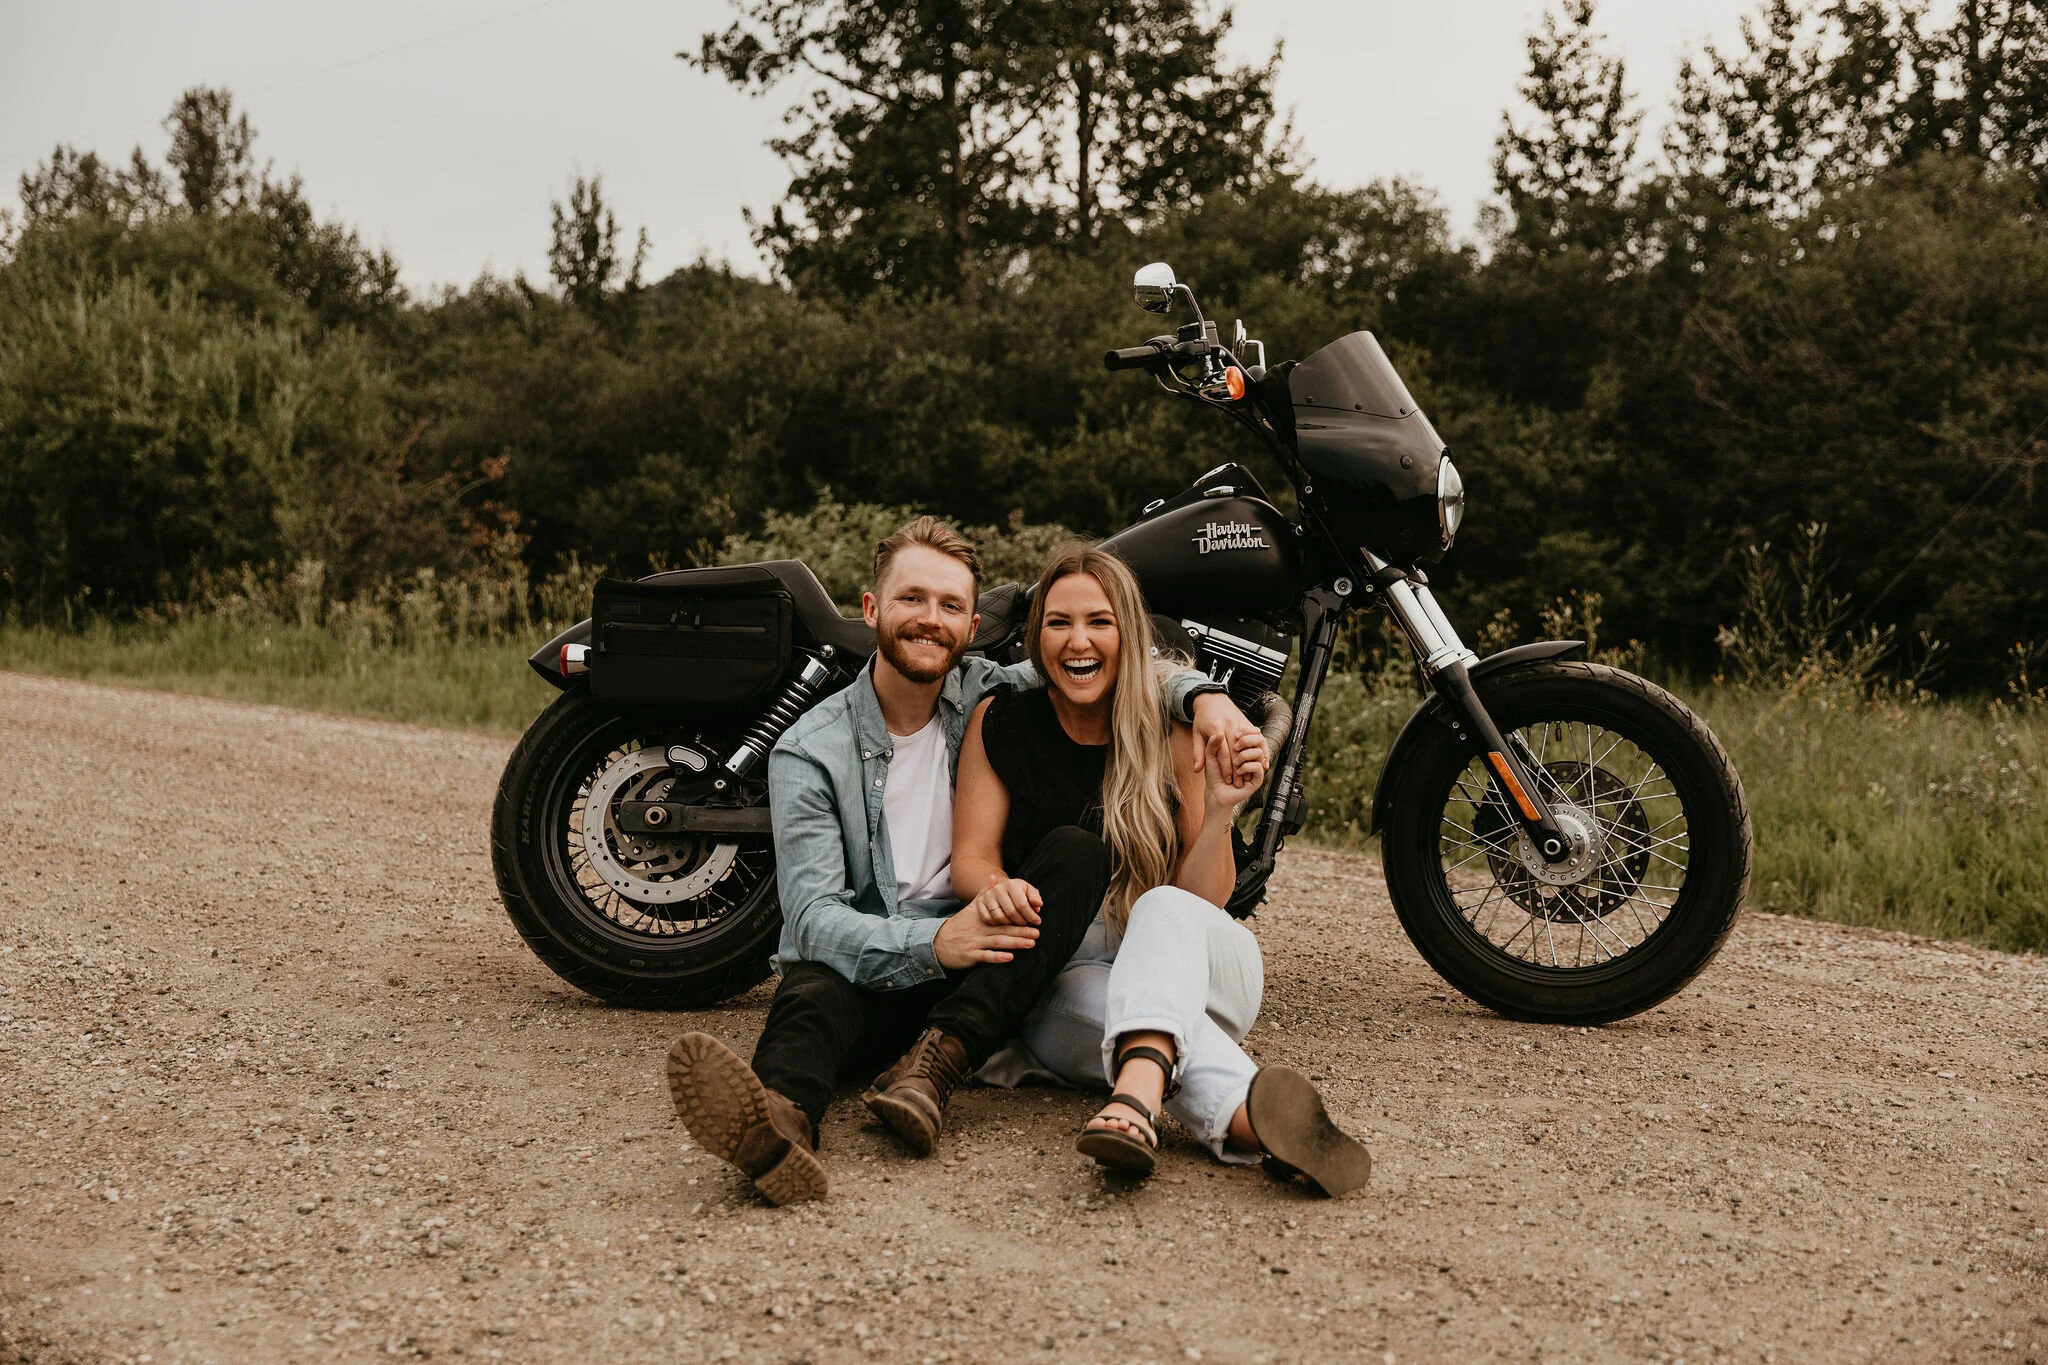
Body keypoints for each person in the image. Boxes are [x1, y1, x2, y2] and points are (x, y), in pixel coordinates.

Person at [662, 517, 1259, 1205]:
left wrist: (1204, 696)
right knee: (813, 989)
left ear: (971, 625)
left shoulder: (983, 691)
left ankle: (934, 1068)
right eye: (912, 598)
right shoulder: (809, 750)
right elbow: (814, 919)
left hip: (992, 961)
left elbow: (1110, 662)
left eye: (949, 606)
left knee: (1072, 852)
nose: (929, 620)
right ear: (871, 608)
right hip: (889, 955)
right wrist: (934, 941)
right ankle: (777, 1124)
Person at [955, 545, 1373, 1194]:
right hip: (1075, 974)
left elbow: (1203, 904)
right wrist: (997, 889)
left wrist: (1221, 818)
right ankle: (1248, 1120)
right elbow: (972, 859)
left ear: (1130, 633)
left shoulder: (1176, 733)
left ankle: (1135, 1097)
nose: (1078, 640)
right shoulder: (1004, 722)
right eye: (1058, 622)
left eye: (1099, 620)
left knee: (1158, 906)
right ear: (1036, 638)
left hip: (1200, 961)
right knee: (1073, 1002)